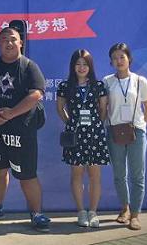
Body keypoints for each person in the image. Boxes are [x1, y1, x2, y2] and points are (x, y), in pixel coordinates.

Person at [0, 26, 51, 232]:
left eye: (13, 39)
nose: (8, 43)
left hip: (21, 131)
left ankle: (36, 214)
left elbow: (36, 94)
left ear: (21, 43)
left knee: (27, 174)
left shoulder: (29, 66)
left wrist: (12, 113)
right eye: (4, 39)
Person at [56, 49, 109, 228]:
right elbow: (60, 108)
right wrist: (70, 123)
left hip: (95, 134)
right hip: (75, 135)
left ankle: (93, 212)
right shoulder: (65, 86)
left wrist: (96, 124)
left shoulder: (98, 85)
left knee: (95, 175)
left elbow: (103, 109)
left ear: (90, 66)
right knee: (77, 174)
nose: (81, 67)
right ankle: (80, 211)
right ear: (73, 66)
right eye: (78, 64)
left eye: (85, 64)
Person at [104, 42, 147, 231]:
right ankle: (124, 208)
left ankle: (135, 215)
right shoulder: (107, 81)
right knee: (119, 174)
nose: (119, 61)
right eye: (114, 58)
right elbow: (103, 107)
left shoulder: (140, 81)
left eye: (122, 57)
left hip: (136, 132)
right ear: (111, 61)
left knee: (137, 175)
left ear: (129, 59)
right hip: (114, 131)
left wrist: (140, 127)